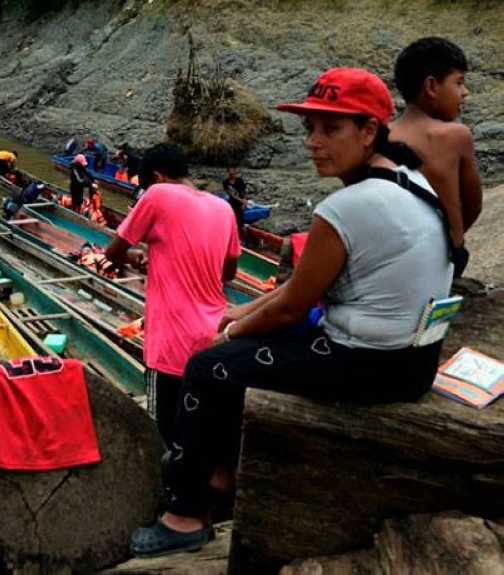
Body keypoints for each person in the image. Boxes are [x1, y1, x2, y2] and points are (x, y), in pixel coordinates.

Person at [129, 68, 453, 558]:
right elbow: (302, 290)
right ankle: (222, 472)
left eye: (331, 129)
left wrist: (229, 330)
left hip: (370, 362)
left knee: (207, 367)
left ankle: (184, 514)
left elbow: (292, 306)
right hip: (416, 358)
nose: (314, 142)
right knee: (240, 345)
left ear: (370, 131)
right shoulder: (412, 182)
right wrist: (238, 316)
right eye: (310, 129)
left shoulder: (346, 208)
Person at [105, 143, 240, 448]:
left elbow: (113, 253)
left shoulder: (158, 194)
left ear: (157, 176)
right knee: (203, 433)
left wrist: (137, 258)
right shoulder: (224, 208)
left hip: (171, 347)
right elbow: (227, 273)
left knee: (164, 436)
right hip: (214, 338)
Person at [390, 37, 482, 277]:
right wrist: (452, 239)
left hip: (394, 257)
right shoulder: (456, 135)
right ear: (431, 87)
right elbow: (473, 205)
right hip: (444, 257)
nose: (465, 92)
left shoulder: (382, 135)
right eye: (459, 82)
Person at [222, 165, 248, 241]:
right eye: (230, 172)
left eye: (233, 172)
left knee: (241, 221)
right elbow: (231, 195)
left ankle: (244, 238)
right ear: (228, 172)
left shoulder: (240, 181)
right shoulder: (225, 182)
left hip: (240, 203)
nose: (232, 173)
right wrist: (242, 201)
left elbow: (244, 192)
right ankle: (235, 238)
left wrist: (245, 201)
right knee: (234, 220)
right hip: (232, 203)